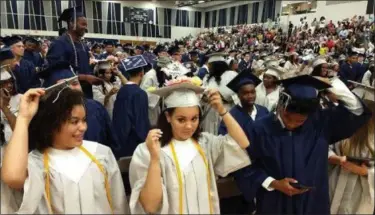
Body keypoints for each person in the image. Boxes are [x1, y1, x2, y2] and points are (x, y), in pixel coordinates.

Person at [235, 75, 371, 214]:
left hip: (313, 202)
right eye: (288, 117)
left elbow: (358, 111)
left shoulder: (320, 124)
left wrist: (333, 84)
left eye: (300, 121)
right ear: (281, 105)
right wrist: (272, 183)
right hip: (275, 201)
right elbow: (244, 166)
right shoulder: (259, 128)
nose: (291, 124)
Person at [128, 79, 251, 214]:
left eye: (194, 119)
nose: (189, 126)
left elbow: (243, 143)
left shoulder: (205, 143)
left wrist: (222, 111)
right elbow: (150, 206)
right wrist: (155, 159)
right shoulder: (148, 150)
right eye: (181, 119)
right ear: (168, 117)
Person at [1, 87, 129, 213]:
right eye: (74, 122)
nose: (83, 127)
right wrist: (24, 118)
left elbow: (118, 203)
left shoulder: (100, 154)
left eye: (84, 120)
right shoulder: (38, 163)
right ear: (51, 124)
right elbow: (12, 177)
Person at [218, 71, 269, 214]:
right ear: (238, 95)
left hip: (266, 165)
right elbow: (224, 144)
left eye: (253, 92)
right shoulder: (231, 117)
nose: (250, 96)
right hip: (243, 168)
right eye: (245, 93)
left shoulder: (264, 111)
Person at [38, 61, 119, 150]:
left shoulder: (96, 108)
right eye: (62, 87)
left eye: (75, 83)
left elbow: (112, 142)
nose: (71, 89)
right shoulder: (47, 118)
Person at [328, 81, 374, 214]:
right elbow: (323, 146)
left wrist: (365, 172)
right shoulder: (341, 126)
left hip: (362, 190)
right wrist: (334, 158)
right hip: (334, 179)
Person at [46, 6, 102, 99]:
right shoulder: (59, 43)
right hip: (67, 93)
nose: (85, 27)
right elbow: (56, 73)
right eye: (83, 24)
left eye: (86, 24)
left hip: (85, 91)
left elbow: (84, 67)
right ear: (72, 23)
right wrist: (85, 77)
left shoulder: (83, 45)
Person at [112, 55, 150, 158]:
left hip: (120, 138)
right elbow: (141, 121)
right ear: (142, 74)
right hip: (134, 143)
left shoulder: (122, 91)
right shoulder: (140, 94)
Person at [140, 56, 173, 126]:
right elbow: (143, 93)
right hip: (149, 106)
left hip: (156, 106)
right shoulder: (150, 76)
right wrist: (158, 94)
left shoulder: (160, 74)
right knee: (151, 125)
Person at [0, 65, 21, 144]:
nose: (9, 85)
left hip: (16, 140)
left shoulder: (20, 98)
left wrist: (6, 106)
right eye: (4, 83)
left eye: (10, 81)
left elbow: (19, 127)